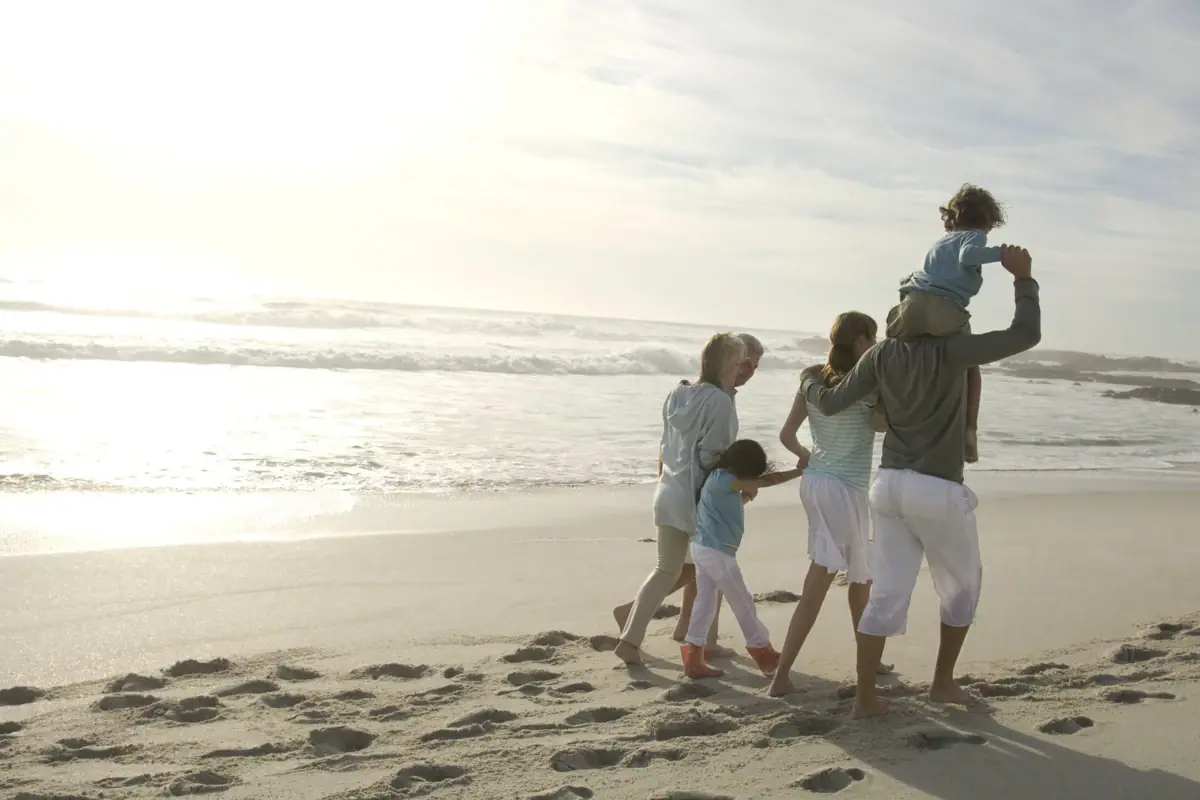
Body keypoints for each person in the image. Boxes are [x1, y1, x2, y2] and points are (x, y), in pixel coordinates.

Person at [801, 245, 1039, 718]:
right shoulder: (954, 349)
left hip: (887, 487)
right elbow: (1024, 334)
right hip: (937, 489)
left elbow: (828, 403)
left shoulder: (884, 352)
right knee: (961, 589)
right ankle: (942, 684)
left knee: (886, 594)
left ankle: (866, 700)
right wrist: (1023, 278)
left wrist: (808, 382)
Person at [612, 333, 764, 658]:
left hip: (668, 491)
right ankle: (704, 642)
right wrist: (739, 485)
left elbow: (667, 447)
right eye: (739, 362)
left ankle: (630, 641)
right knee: (713, 565)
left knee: (665, 570)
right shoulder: (721, 402)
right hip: (699, 499)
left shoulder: (676, 393)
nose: (743, 370)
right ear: (726, 363)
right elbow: (712, 458)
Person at [768, 311, 888, 697]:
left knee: (860, 575)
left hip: (816, 482)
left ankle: (870, 659)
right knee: (820, 580)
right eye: (873, 338)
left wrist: (808, 456)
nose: (875, 344)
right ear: (860, 341)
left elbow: (787, 435)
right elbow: (884, 426)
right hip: (844, 489)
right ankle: (781, 675)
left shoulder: (812, 377)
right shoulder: (867, 382)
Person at [888, 184, 1014, 464]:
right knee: (969, 366)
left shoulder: (940, 242)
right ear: (987, 220)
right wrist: (1002, 254)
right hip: (943, 309)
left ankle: (893, 413)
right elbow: (968, 257)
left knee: (906, 358)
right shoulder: (975, 236)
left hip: (909, 306)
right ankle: (969, 431)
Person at [682, 439, 802, 679]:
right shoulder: (726, 480)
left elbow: (729, 506)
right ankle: (763, 652)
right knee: (742, 601)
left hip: (702, 548)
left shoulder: (718, 478)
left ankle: (693, 656)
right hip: (716, 552)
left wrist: (746, 496)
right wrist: (799, 471)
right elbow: (770, 480)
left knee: (705, 602)